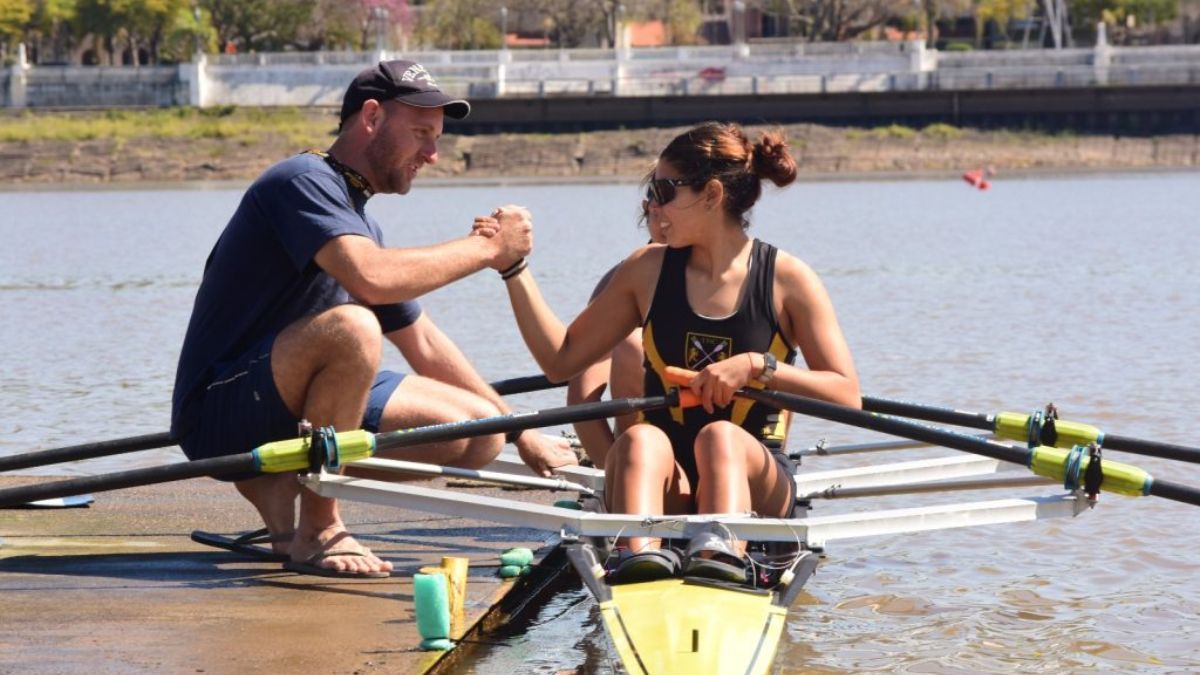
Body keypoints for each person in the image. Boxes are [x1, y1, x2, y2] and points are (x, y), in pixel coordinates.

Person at [170, 60, 577, 579]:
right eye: (422, 135)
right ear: (370, 117)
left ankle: (285, 485)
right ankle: (319, 524)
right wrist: (489, 249)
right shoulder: (301, 181)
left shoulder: (359, 217)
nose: (432, 154)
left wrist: (522, 431)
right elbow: (373, 279)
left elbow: (424, 343)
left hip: (288, 391)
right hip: (219, 410)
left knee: (480, 433)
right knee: (355, 328)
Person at [490, 121, 861, 583]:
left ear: (710, 195)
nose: (652, 204)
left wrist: (757, 367)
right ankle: (640, 558)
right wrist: (513, 268)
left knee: (719, 439)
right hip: (673, 481)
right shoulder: (645, 271)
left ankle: (721, 554)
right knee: (641, 439)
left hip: (757, 480)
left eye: (664, 190)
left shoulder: (788, 278)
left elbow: (846, 395)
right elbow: (561, 360)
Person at [566, 173, 667, 467]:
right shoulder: (618, 282)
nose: (666, 224)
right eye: (657, 213)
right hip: (644, 452)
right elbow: (582, 398)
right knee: (631, 346)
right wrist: (613, 472)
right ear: (647, 209)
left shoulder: (748, 275)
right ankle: (627, 474)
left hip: (722, 433)